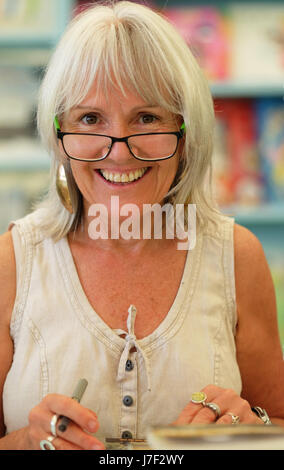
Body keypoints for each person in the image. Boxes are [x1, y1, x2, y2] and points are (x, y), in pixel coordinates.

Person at [0, 0, 284, 451]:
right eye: (90, 119)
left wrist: (250, 426)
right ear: (59, 136)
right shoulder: (13, 260)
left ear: (186, 134)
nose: (119, 151)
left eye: (147, 118)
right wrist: (23, 443)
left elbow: (276, 424)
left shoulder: (236, 255)